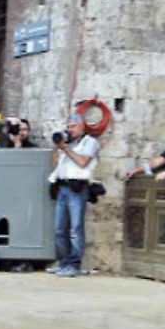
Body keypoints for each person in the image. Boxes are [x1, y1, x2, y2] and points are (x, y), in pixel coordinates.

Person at [48, 114, 99, 277]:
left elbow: (83, 162)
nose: (70, 130)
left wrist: (65, 148)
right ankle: (62, 263)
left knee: (75, 229)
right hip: (62, 187)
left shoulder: (90, 142)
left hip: (77, 188)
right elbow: (55, 163)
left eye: (73, 126)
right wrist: (57, 146)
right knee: (59, 229)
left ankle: (74, 265)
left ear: (82, 127)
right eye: (68, 127)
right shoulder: (66, 144)